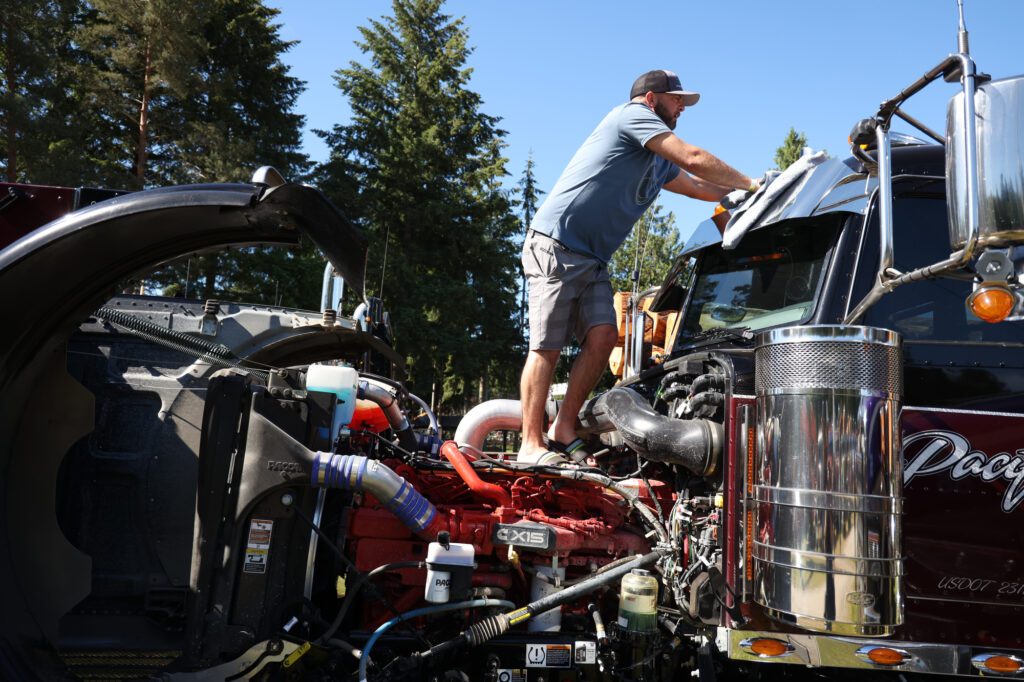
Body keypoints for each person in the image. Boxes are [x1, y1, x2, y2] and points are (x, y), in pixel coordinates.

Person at [519, 69, 756, 464]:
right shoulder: (629, 117)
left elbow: (699, 185)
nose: (682, 105)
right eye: (676, 98)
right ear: (650, 99)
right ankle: (530, 444)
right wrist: (749, 182)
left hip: (592, 258)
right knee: (547, 346)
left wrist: (759, 189)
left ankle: (562, 428)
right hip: (557, 245)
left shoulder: (655, 160)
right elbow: (693, 157)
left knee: (602, 337)